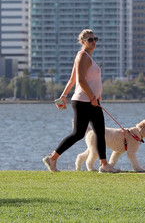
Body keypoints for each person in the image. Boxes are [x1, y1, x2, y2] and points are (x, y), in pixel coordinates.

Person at [42, 29, 119, 173]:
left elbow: (72, 79)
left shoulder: (86, 57)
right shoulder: (83, 56)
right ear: (83, 42)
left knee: (91, 132)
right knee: (83, 133)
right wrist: (92, 97)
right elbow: (81, 80)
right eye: (90, 40)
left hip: (89, 100)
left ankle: (103, 164)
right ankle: (103, 165)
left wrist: (64, 96)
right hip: (86, 101)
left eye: (95, 38)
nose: (94, 42)